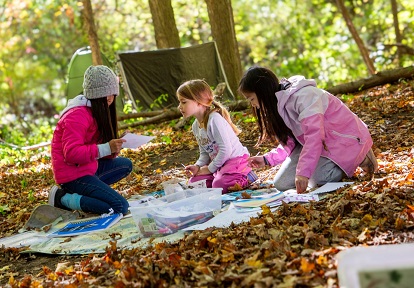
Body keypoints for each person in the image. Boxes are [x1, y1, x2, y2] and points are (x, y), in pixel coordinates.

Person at [238, 66, 378, 194]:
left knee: (318, 179)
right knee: (282, 184)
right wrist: (266, 159)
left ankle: (361, 156)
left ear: (263, 92)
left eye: (252, 99)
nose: (253, 105)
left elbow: (314, 136)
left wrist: (303, 172)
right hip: (321, 145)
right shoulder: (279, 106)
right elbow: (293, 143)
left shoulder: (304, 97)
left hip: (343, 140)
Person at [49, 65, 131, 215]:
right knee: (119, 207)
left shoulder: (97, 112)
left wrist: (114, 147)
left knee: (125, 165)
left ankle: (91, 192)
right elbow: (72, 153)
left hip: (88, 167)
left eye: (112, 93)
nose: (110, 98)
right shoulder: (77, 115)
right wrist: (106, 147)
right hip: (72, 175)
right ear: (94, 95)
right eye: (105, 94)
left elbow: (96, 150)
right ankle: (62, 199)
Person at [177, 79, 257, 194]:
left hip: (235, 162)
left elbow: (226, 150)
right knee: (194, 184)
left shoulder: (214, 119)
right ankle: (220, 177)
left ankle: (247, 177)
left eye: (183, 102)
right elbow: (205, 153)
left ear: (199, 102)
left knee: (219, 185)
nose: (179, 106)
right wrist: (198, 166)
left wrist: (209, 169)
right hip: (219, 164)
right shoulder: (196, 126)